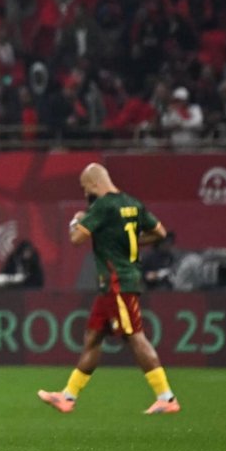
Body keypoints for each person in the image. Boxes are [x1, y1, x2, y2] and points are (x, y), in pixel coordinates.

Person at [39, 164, 179, 415]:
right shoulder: (132, 204)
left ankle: (166, 397)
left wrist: (76, 220)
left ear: (93, 184)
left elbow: (76, 238)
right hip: (110, 286)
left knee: (135, 336)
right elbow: (159, 232)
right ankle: (68, 397)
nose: (85, 194)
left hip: (118, 282)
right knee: (93, 339)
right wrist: (132, 241)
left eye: (85, 188)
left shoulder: (102, 206)